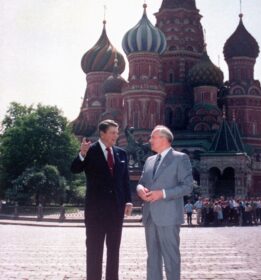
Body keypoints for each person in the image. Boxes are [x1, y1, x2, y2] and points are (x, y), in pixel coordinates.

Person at [71, 119, 132, 280]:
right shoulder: (90, 151)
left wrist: (128, 201)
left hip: (116, 211)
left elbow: (125, 180)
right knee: (94, 251)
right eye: (113, 132)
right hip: (95, 212)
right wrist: (82, 154)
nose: (116, 136)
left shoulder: (121, 153)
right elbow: (74, 169)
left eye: (117, 132)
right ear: (102, 133)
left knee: (114, 251)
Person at [137, 125, 193, 280]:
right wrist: (140, 189)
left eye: (152, 137)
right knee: (152, 258)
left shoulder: (180, 158)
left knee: (171, 258)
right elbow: (141, 182)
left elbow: (187, 187)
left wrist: (162, 194)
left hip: (169, 217)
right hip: (150, 216)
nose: (149, 141)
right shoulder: (149, 160)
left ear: (163, 139)